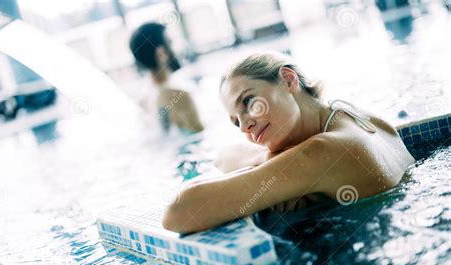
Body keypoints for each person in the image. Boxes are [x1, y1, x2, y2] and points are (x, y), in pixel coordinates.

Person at [162, 52, 415, 233]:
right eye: (236, 122)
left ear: (288, 80)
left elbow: (179, 211)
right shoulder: (361, 118)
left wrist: (270, 162)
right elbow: (223, 155)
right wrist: (274, 162)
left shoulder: (322, 151)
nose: (245, 126)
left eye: (249, 102)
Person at [129, 22, 204, 133]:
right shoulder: (179, 96)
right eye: (170, 43)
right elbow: (200, 135)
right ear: (161, 53)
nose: (176, 49)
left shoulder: (142, 100)